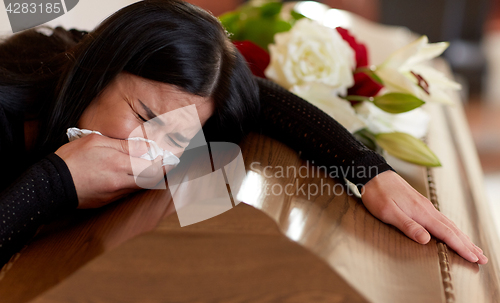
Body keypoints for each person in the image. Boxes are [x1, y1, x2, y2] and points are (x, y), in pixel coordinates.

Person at [0, 0, 487, 267]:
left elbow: (262, 100)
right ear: (96, 70)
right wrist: (55, 183)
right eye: (144, 116)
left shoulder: (172, 99)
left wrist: (369, 174)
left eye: (174, 138)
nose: (145, 151)